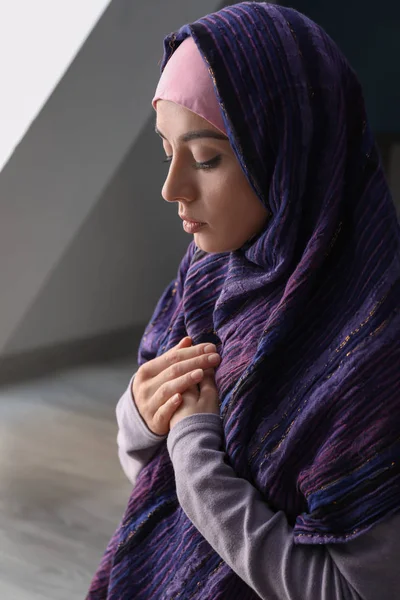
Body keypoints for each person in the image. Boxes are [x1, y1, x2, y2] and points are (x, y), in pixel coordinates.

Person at [87, 2, 400, 599]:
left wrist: (198, 460)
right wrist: (139, 412)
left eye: (206, 158)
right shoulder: (207, 279)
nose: (171, 186)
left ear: (289, 156)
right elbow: (155, 486)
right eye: (166, 151)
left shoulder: (375, 348)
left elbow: (354, 591)